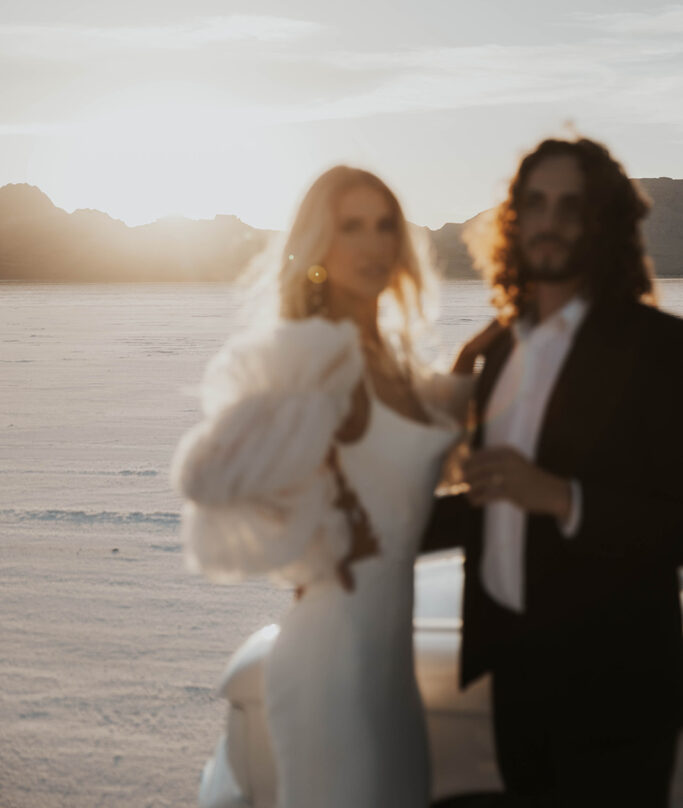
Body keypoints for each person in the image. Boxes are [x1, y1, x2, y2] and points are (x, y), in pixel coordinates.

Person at [171, 165, 498, 808]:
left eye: (384, 225)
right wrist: (321, 529)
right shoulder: (316, 355)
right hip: (329, 662)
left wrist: (470, 366)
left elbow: (411, 459)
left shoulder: (397, 363)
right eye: (351, 227)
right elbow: (206, 475)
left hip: (387, 665)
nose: (373, 244)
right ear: (319, 244)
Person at [424, 137, 683, 807]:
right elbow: (491, 498)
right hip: (514, 680)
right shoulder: (500, 348)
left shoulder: (661, 350)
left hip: (616, 697)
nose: (549, 221)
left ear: (604, 224)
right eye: (534, 204)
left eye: (572, 206)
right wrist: (367, 541)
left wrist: (563, 498)